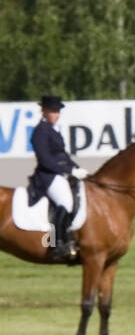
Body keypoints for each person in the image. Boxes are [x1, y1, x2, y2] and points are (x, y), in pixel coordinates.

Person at [28, 94, 88, 262]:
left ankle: (70, 239)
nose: (56, 115)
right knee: (65, 202)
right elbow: (45, 160)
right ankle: (56, 244)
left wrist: (77, 168)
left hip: (59, 174)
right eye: (53, 111)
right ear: (44, 111)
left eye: (57, 112)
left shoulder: (54, 129)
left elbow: (62, 155)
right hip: (47, 176)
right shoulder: (40, 131)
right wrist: (70, 170)